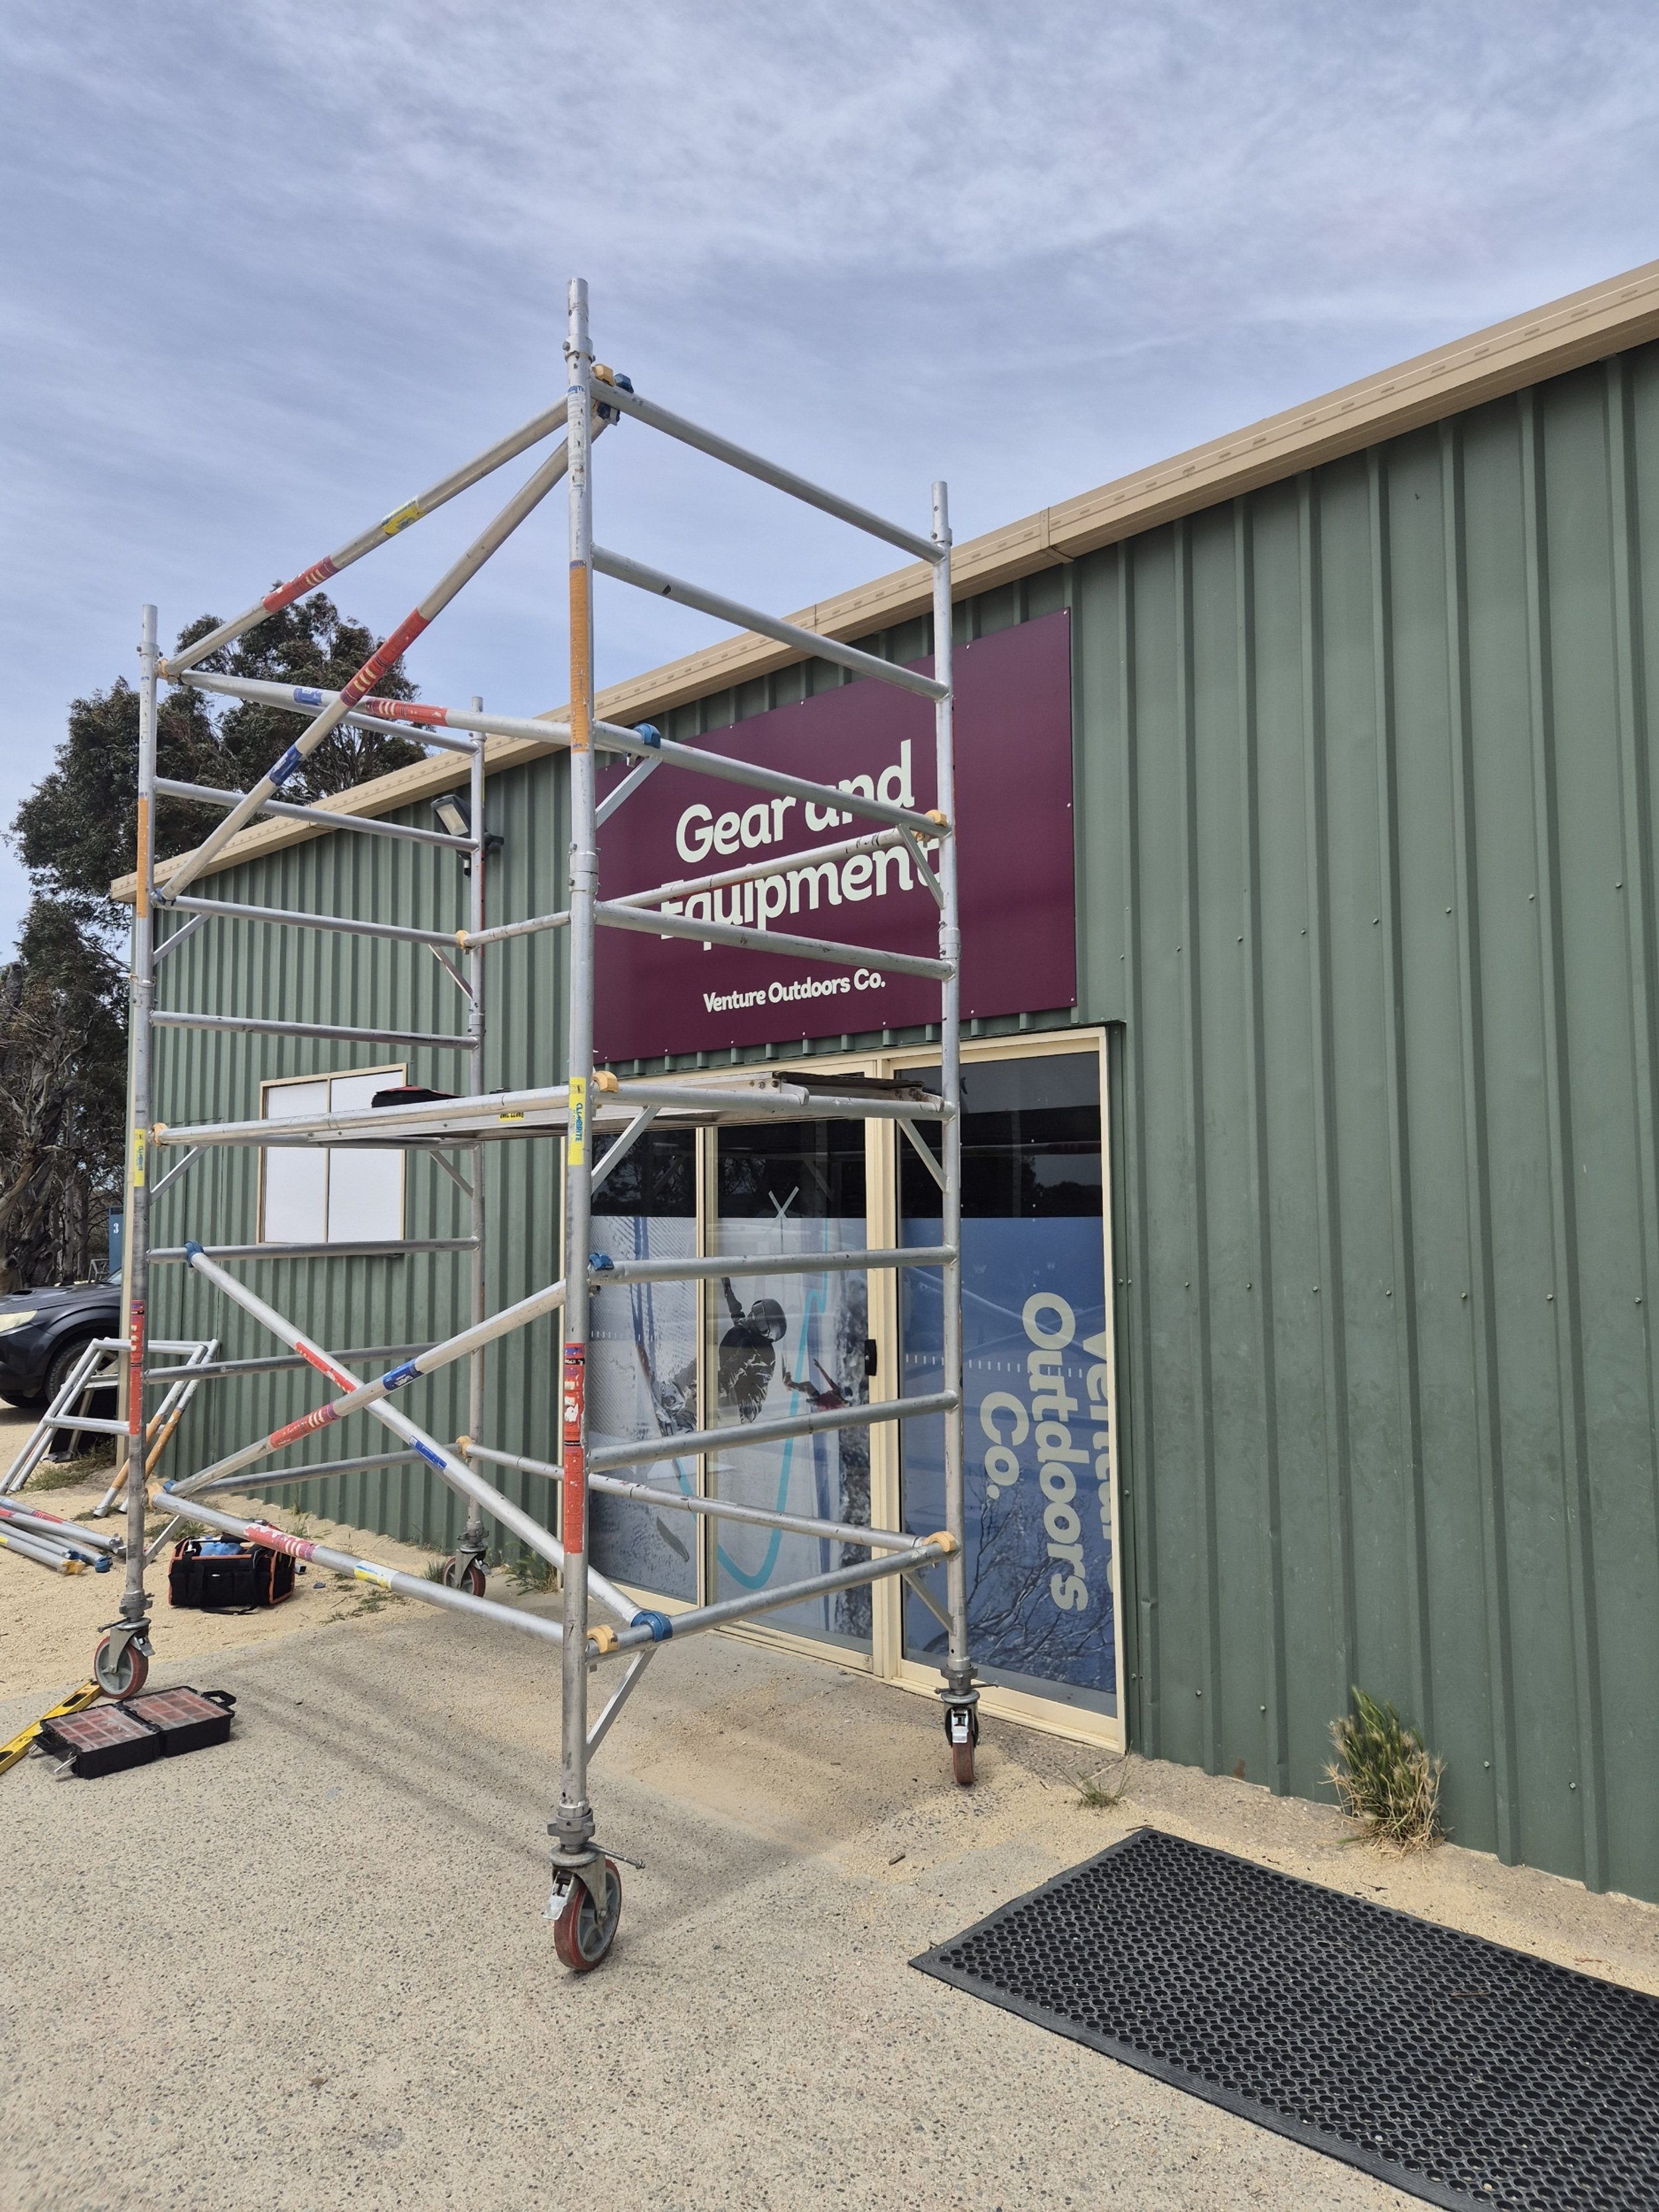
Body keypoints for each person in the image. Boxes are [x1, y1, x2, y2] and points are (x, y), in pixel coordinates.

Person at [718, 1280, 786, 1422]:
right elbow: (737, 1313)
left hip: (742, 1408)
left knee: (703, 1370)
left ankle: (685, 1416)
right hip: (736, 1396)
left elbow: (732, 1372)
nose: (754, 1318)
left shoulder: (757, 1351)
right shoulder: (748, 1331)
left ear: (766, 1336)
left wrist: (705, 1391)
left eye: (761, 1322)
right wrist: (728, 1289)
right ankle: (682, 1401)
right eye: (757, 1311)